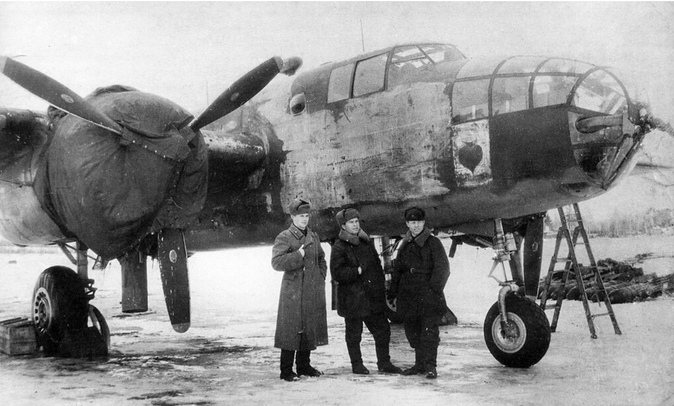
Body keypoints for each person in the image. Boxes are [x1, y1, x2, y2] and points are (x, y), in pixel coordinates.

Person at [330, 208, 403, 375]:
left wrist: (380, 289)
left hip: (372, 297)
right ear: (343, 226)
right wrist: (356, 271)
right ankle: (357, 365)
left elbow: (376, 267)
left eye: (357, 221)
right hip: (353, 299)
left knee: (383, 330)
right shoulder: (339, 246)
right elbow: (337, 273)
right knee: (354, 335)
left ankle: (384, 363)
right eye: (351, 222)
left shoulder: (366, 242)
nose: (355, 225)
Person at [271, 198, 328, 382]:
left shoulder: (313, 236)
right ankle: (286, 370)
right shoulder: (284, 237)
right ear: (293, 217)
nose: (304, 219)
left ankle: (304, 366)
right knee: (291, 328)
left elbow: (321, 258)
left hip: (310, 288)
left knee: (308, 326)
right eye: (301, 216)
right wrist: (299, 254)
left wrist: (320, 276)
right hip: (293, 291)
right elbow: (276, 262)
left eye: (306, 216)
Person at [389, 206, 450, 379]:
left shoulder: (433, 243)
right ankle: (419, 364)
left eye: (418, 222)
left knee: (429, 332)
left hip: (428, 295)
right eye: (412, 222)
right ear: (407, 224)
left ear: (423, 223)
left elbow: (443, 269)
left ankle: (430, 366)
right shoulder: (405, 244)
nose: (415, 226)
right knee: (413, 331)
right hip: (408, 295)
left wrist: (433, 290)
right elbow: (398, 269)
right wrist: (393, 292)